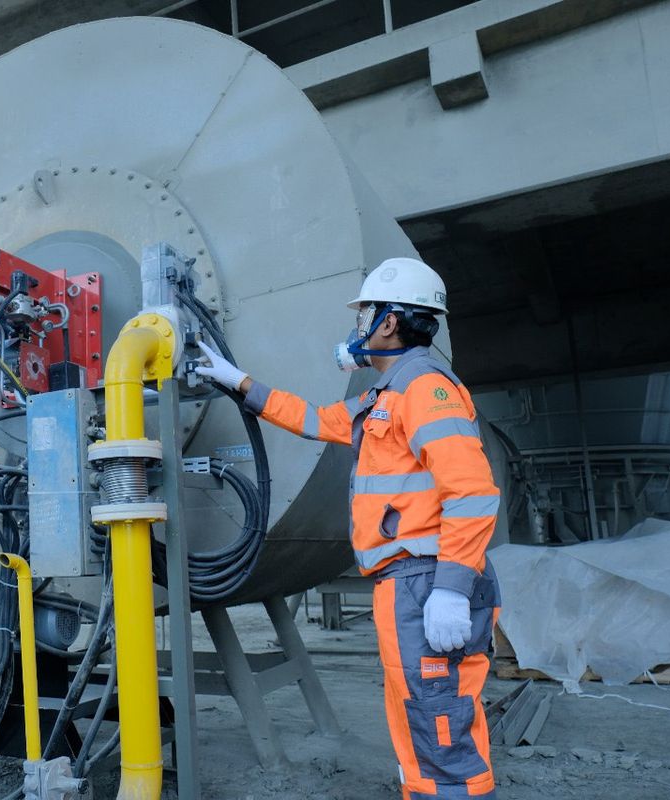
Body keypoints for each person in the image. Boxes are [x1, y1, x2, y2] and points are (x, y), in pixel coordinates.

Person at [196, 257, 501, 800]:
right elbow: (317, 419)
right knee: (421, 712)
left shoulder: (425, 390)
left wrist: (451, 591)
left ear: (389, 322)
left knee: (437, 717)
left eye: (364, 317)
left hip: (429, 581)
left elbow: (473, 491)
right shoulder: (385, 396)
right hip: (411, 582)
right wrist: (237, 382)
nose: (357, 329)